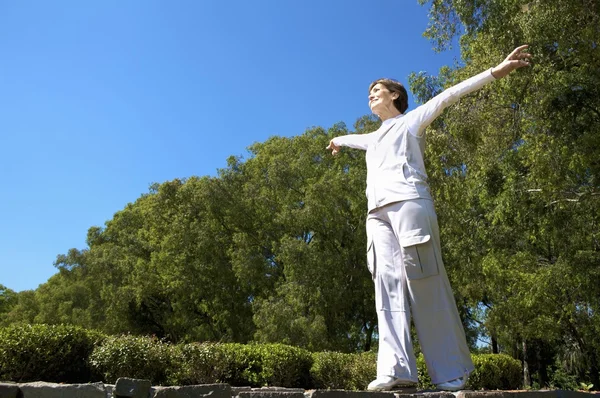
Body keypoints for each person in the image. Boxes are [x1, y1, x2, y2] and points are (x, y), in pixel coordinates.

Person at [326, 45, 531, 392]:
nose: (371, 96)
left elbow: (450, 95)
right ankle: (397, 371)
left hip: (409, 204)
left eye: (377, 91)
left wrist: (495, 71)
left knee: (425, 280)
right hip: (375, 215)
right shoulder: (373, 137)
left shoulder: (411, 121)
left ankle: (450, 371)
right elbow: (351, 139)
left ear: (395, 96)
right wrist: (336, 141)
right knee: (386, 287)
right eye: (368, 93)